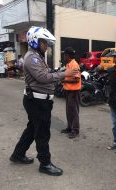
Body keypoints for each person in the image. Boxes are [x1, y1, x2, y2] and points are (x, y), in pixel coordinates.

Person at [9, 26, 79, 176]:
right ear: (35, 42)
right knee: (42, 133)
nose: (46, 46)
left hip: (38, 101)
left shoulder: (37, 56)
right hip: (37, 102)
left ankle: (17, 155)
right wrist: (64, 73)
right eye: (44, 43)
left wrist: (58, 73)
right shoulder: (32, 57)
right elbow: (43, 77)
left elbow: (46, 74)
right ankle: (45, 164)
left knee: (31, 130)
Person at [60, 47, 81, 139]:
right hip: (68, 91)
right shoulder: (68, 64)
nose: (63, 56)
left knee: (74, 111)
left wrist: (65, 82)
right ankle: (69, 127)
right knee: (69, 111)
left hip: (74, 91)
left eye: (64, 54)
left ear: (68, 55)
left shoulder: (74, 65)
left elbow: (76, 80)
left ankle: (75, 130)